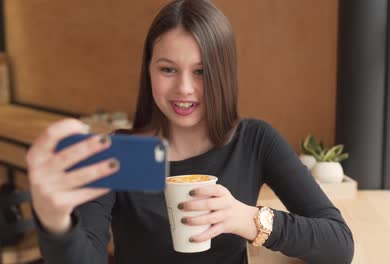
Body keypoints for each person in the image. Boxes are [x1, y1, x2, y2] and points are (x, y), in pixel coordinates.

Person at [26, 0, 354, 263]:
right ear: (149, 70)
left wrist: (245, 218)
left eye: (201, 71)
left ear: (223, 74)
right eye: (168, 69)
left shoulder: (254, 140)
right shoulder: (122, 154)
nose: (184, 88)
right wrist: (55, 222)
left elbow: (338, 244)